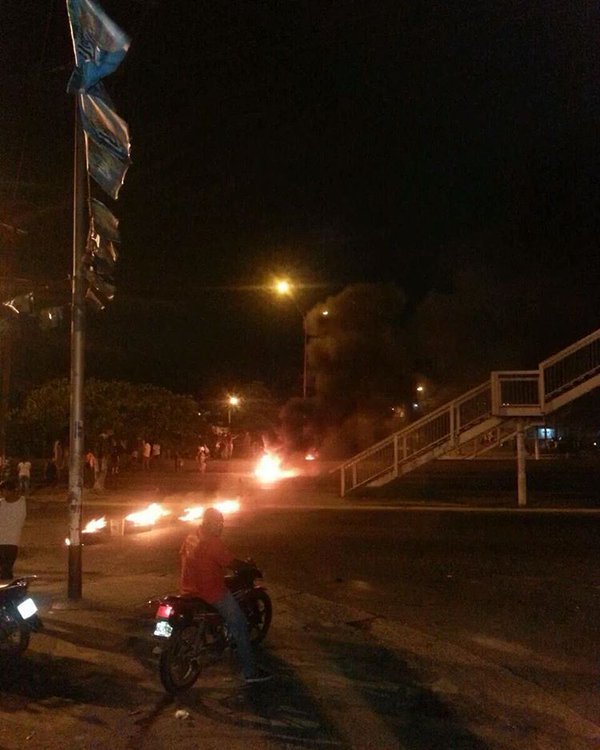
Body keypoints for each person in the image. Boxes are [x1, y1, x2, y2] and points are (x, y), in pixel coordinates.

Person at [179, 507, 272, 684]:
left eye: (221, 523)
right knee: (240, 625)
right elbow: (232, 563)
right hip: (209, 592)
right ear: (209, 523)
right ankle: (250, 672)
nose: (220, 527)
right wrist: (249, 567)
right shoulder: (213, 543)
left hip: (188, 587)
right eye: (218, 523)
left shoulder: (191, 536)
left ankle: (218, 635)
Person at [0, 480, 26, 580]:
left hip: (12, 540)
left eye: (4, 491)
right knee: (5, 569)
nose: (2, 494)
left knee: (7, 567)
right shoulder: (2, 503)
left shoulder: (22, 502)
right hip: (1, 539)